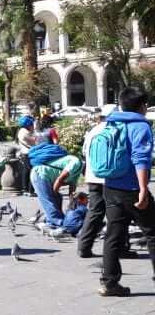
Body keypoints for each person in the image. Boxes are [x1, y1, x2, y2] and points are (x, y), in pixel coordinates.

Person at [97, 87, 155, 297]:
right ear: (142, 106)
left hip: (110, 185)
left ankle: (109, 282)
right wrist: (143, 189)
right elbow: (141, 158)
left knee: (113, 234)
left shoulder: (112, 122)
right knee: (152, 232)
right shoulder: (140, 125)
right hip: (131, 187)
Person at [78, 106, 116, 258]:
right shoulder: (115, 130)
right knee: (116, 212)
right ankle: (119, 246)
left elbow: (84, 153)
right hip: (110, 177)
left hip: (93, 176)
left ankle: (84, 246)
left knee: (94, 211)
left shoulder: (92, 131)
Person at [30, 150, 83, 230]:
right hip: (40, 174)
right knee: (50, 201)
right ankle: (61, 224)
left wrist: (72, 203)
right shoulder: (76, 162)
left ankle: (51, 223)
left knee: (58, 198)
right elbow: (60, 179)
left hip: (47, 177)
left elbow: (72, 186)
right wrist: (54, 192)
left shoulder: (78, 170)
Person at [16, 116, 37, 196]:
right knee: (32, 171)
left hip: (25, 153)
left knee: (26, 171)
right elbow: (34, 141)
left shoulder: (21, 131)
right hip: (29, 153)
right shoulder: (25, 132)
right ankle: (30, 190)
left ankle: (25, 189)